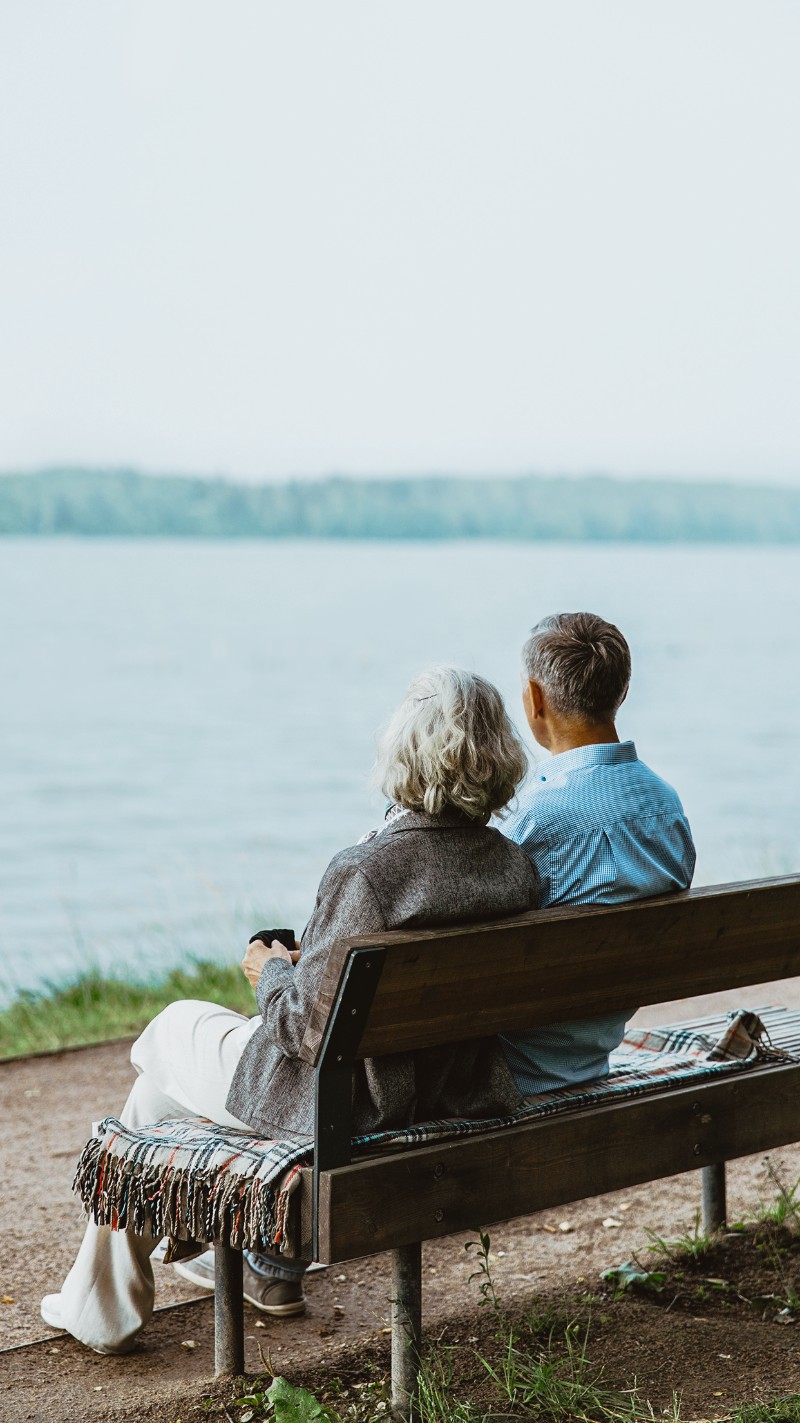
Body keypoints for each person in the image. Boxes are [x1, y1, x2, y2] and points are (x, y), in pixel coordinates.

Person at [41, 666, 538, 1352]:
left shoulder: (364, 869)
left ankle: (123, 1299)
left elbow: (304, 1030)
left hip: (348, 1103)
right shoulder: (513, 865)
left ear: (404, 754)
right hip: (446, 1089)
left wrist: (270, 967)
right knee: (155, 1096)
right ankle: (244, 1270)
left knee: (168, 1033)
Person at [498, 610, 696, 1095]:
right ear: (621, 692)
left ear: (535, 699)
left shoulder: (529, 819)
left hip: (508, 1067)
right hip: (597, 1048)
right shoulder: (665, 809)